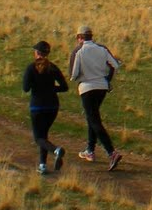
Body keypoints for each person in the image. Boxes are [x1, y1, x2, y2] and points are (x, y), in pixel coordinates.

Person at [68, 24, 123, 170]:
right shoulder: (102, 49)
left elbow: (73, 76)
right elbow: (116, 65)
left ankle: (111, 152)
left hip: (86, 88)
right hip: (102, 87)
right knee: (92, 117)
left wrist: (83, 76)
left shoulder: (78, 51)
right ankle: (90, 150)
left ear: (79, 37)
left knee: (93, 119)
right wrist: (105, 76)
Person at [23, 40, 69, 175]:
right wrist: (51, 88)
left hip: (37, 106)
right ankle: (42, 165)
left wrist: (38, 87)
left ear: (37, 53)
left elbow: (25, 88)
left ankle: (56, 150)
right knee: (43, 136)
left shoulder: (31, 68)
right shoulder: (53, 67)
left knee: (38, 138)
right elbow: (64, 87)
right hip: (53, 106)